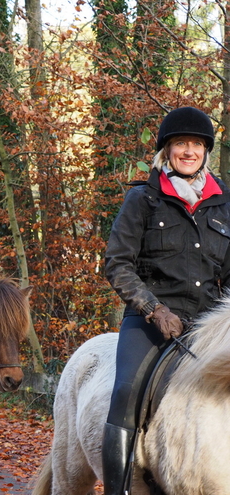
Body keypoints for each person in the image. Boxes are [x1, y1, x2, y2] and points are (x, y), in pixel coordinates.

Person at [103, 107, 230, 494]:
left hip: (209, 323)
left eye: (196, 144)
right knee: (126, 394)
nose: (188, 151)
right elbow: (117, 263)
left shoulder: (225, 202)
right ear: (166, 151)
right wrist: (152, 308)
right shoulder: (143, 199)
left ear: (206, 151)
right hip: (150, 321)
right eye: (180, 144)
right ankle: (118, 488)